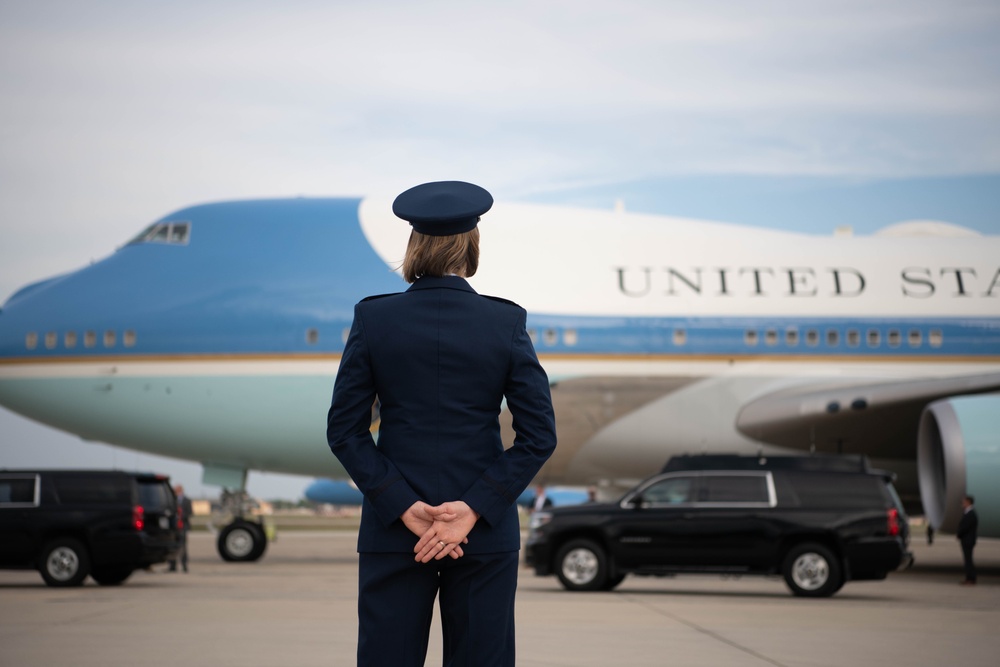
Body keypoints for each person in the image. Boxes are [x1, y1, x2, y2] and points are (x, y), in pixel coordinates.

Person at [326, 180, 557, 667]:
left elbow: (345, 430)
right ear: (471, 246)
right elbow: (538, 436)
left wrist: (405, 506)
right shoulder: (506, 323)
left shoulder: (373, 319)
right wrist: (473, 509)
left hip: (395, 532)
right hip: (483, 535)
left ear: (413, 245)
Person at [169, 484, 193, 572]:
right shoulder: (172, 500)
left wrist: (180, 517)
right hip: (174, 527)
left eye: (177, 490)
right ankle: (172, 566)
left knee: (183, 547)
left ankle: (184, 565)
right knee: (172, 545)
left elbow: (190, 512)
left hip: (183, 526)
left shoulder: (187, 500)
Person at [957, 494, 978, 585]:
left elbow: (965, 527)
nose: (963, 503)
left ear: (968, 502)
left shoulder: (971, 514)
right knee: (967, 560)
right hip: (966, 540)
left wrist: (959, 534)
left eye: (964, 501)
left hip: (968, 540)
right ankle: (969, 578)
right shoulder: (968, 513)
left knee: (968, 560)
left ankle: (971, 578)